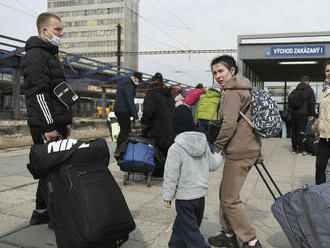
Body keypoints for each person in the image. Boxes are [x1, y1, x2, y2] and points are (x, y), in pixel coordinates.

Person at [22, 12, 73, 225]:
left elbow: (57, 92)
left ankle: (41, 211)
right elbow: (38, 93)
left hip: (55, 122)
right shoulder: (36, 56)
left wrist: (66, 120)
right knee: (54, 171)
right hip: (46, 125)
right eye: (58, 29)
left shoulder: (50, 55)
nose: (62, 33)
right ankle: (55, 216)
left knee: (50, 168)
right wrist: (49, 125)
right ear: (45, 30)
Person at [207, 55, 263, 248]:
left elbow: (229, 124)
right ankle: (228, 234)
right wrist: (259, 151)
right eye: (214, 72)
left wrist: (218, 147)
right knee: (225, 193)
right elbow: (253, 123)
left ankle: (251, 240)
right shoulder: (246, 89)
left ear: (232, 71)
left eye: (221, 71)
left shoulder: (231, 92)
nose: (217, 76)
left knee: (230, 199)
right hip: (249, 147)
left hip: (239, 151)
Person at [163, 105, 223, 248]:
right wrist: (218, 156)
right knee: (184, 224)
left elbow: (171, 175)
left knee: (191, 231)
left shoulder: (175, 148)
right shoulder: (203, 143)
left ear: (175, 126)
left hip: (184, 198)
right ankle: (175, 244)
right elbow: (212, 165)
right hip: (200, 198)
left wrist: (167, 195)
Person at [141, 80, 175, 176]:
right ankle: (167, 171)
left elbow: (148, 111)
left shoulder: (151, 94)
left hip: (157, 129)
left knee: (155, 149)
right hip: (170, 129)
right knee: (166, 151)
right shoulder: (169, 95)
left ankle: (157, 171)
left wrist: (144, 125)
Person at [113, 72, 142, 150]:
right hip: (123, 111)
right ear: (135, 78)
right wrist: (136, 117)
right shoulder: (129, 85)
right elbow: (130, 101)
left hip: (120, 110)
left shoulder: (125, 83)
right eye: (138, 80)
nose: (138, 83)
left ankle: (122, 149)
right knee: (125, 131)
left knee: (125, 130)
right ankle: (119, 149)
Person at [313, 61, 330, 184]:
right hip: (324, 135)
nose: (329, 73)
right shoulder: (325, 88)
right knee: (320, 166)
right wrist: (316, 126)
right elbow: (323, 112)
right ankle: (319, 195)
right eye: (327, 71)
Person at [289, 75, 315, 155]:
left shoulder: (294, 90)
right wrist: (312, 114)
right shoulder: (310, 90)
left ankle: (294, 148)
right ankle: (300, 149)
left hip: (294, 114)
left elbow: (290, 101)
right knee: (302, 131)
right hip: (303, 114)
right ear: (308, 81)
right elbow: (312, 103)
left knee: (294, 130)